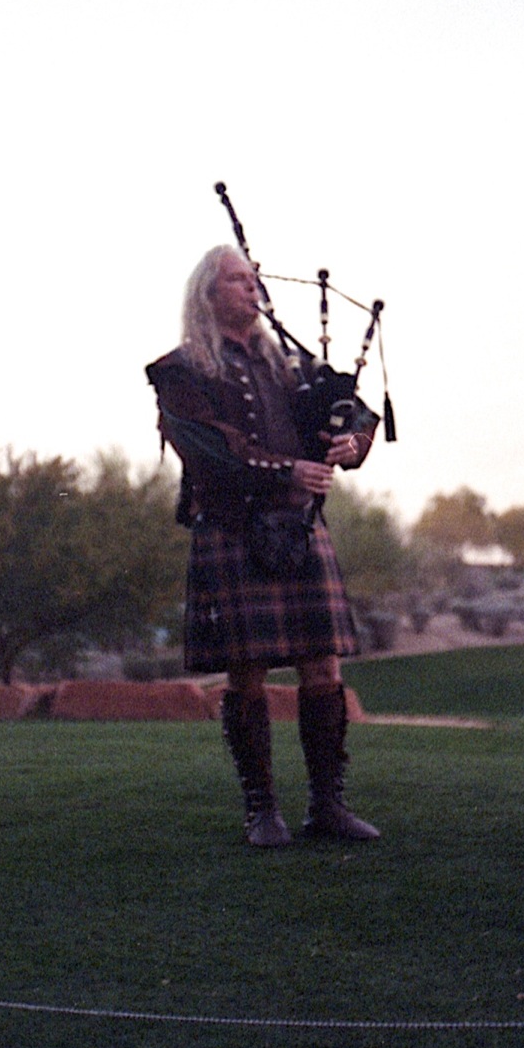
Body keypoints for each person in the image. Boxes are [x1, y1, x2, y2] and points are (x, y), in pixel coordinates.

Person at [146, 244, 381, 847]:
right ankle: (262, 810)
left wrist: (352, 442)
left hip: (299, 525)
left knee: (323, 664)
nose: (252, 288)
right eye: (237, 280)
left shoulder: (289, 363)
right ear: (208, 294)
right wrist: (286, 471)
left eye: (253, 279)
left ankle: (327, 806)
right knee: (246, 670)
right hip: (232, 526)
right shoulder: (181, 371)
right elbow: (208, 449)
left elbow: (352, 411)